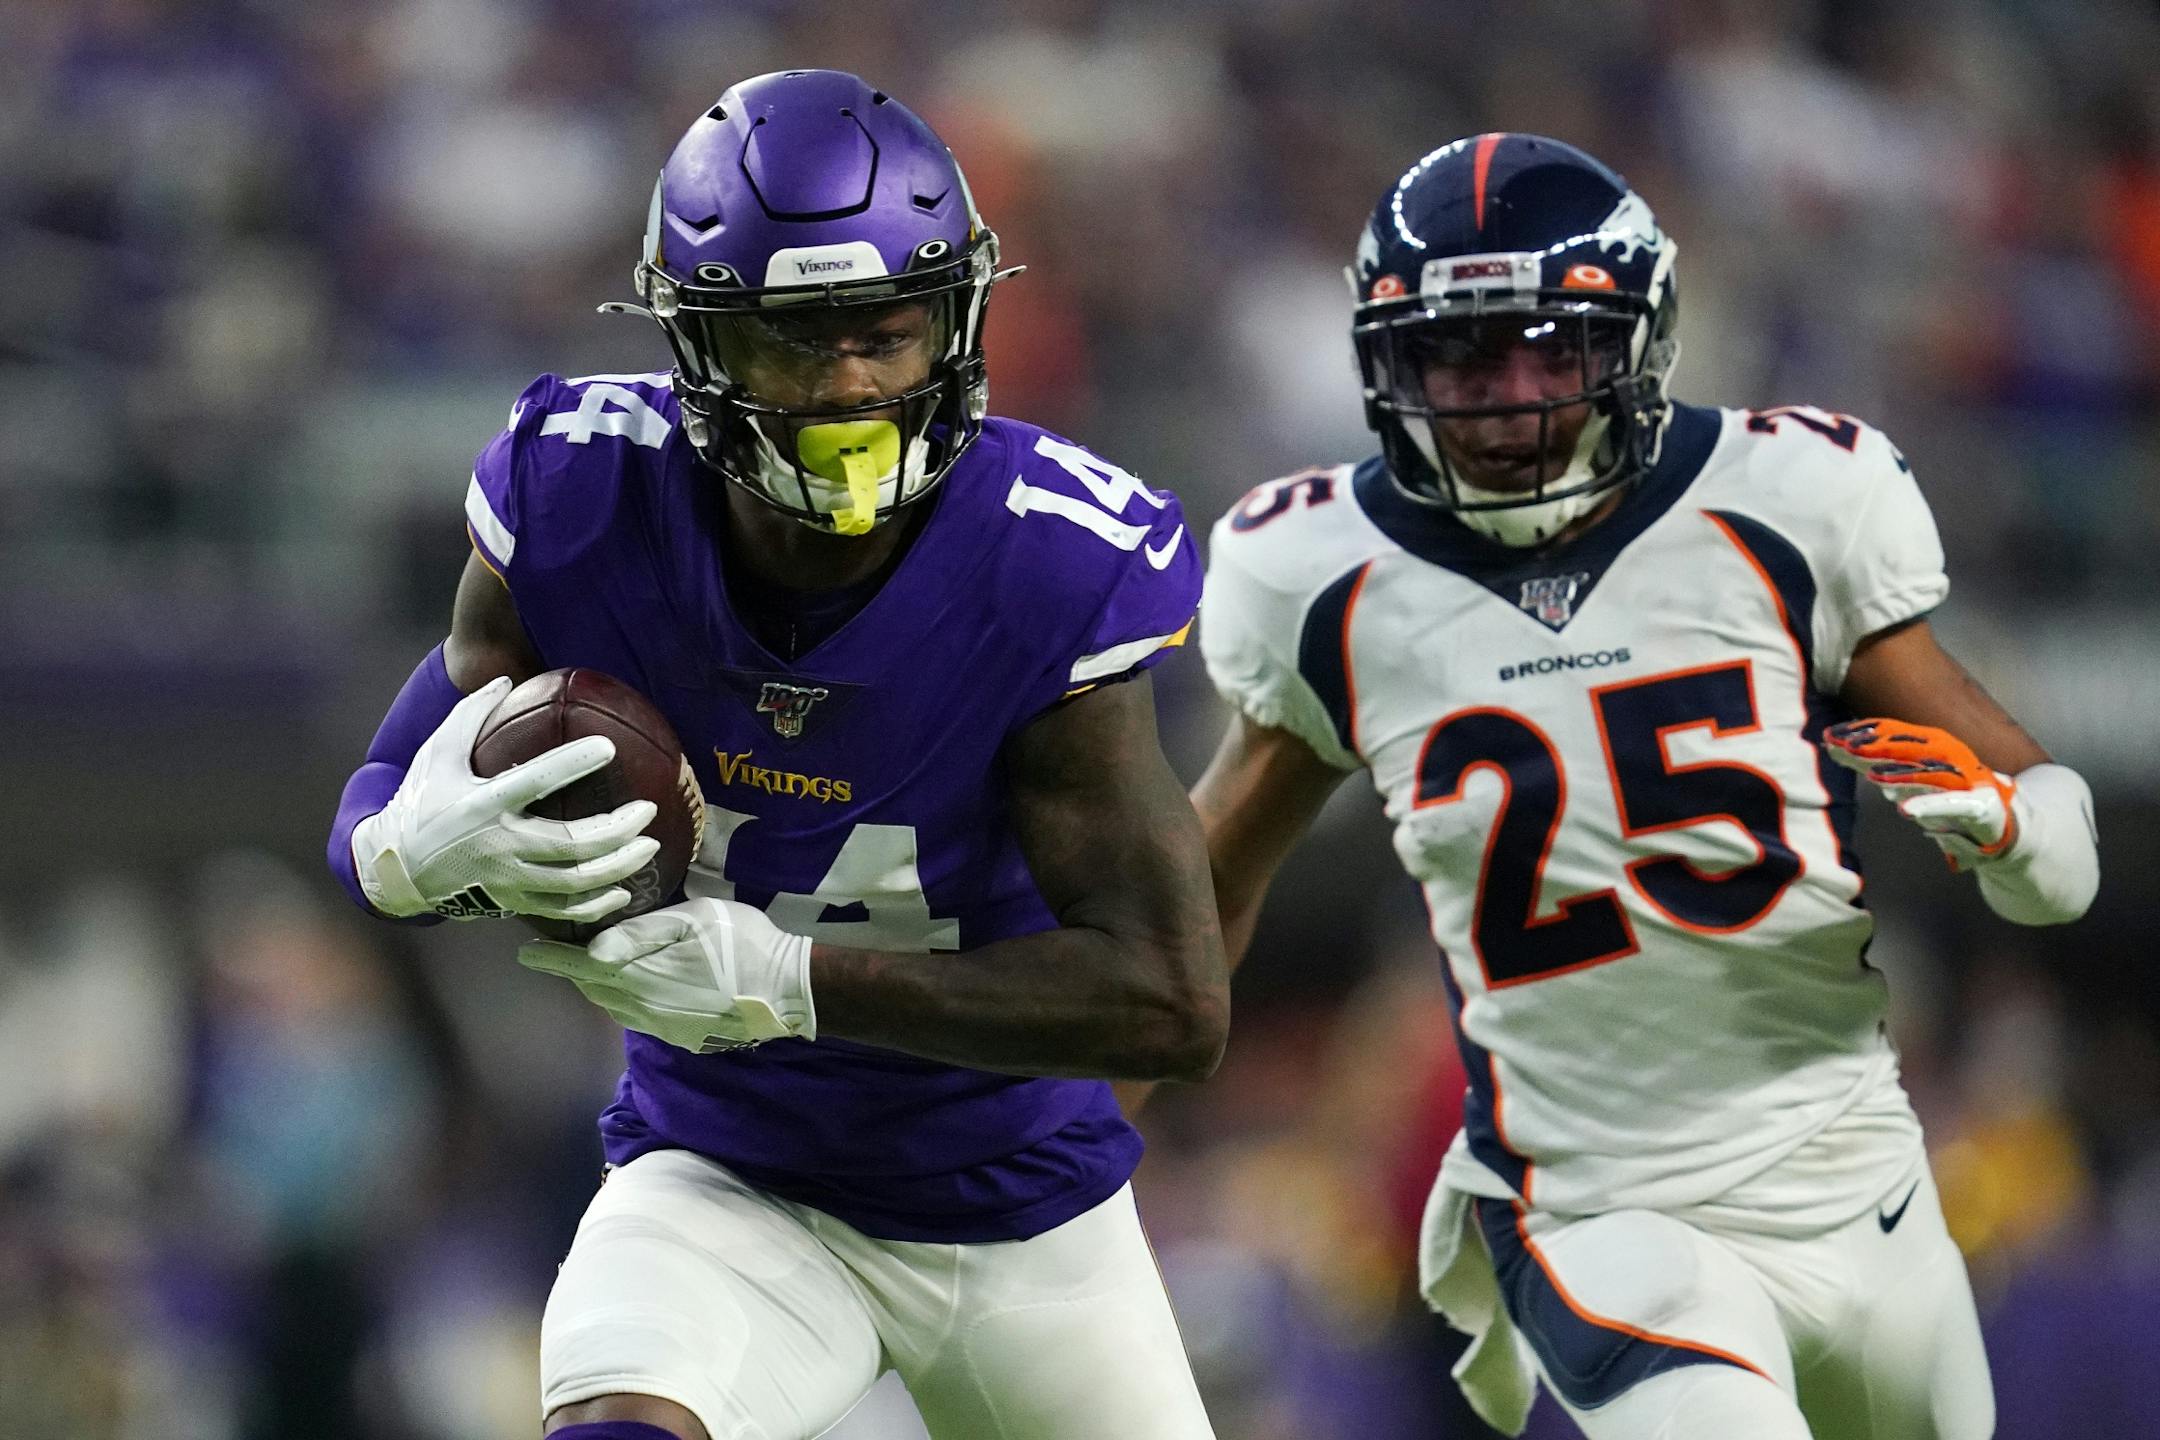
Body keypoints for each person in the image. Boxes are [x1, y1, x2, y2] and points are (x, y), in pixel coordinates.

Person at [326, 71, 1226, 1440]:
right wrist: (406, 857)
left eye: (887, 333)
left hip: (1020, 1215)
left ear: (959, 320)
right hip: (724, 1176)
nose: (851, 386)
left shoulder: (1045, 561)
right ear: (697, 346)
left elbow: (1170, 1003)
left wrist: (795, 984)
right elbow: (379, 804)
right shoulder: (583, 495)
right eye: (796, 342)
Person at [1179, 133, 2099, 1438]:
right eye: (1462, 356)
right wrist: (1062, 1115)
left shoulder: (1793, 499)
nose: (1508, 398)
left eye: (1552, 348)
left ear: (1640, 341)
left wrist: (2018, 834)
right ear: (1391, 367)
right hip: (1587, 1199)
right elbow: (1194, 894)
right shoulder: (1320, 572)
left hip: (1851, 1176)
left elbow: (2060, 845)